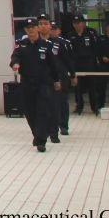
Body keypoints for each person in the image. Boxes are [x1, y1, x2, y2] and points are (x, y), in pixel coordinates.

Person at [10, 20, 64, 152]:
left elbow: (53, 65)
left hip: (43, 84)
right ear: (25, 30)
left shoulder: (46, 45)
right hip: (27, 83)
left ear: (38, 28)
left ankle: (41, 141)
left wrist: (56, 80)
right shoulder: (21, 44)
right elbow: (15, 57)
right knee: (30, 112)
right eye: (28, 28)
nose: (31, 30)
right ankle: (37, 134)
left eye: (33, 27)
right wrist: (15, 64)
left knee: (42, 111)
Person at [67, 15, 100, 114]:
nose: (77, 25)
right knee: (78, 87)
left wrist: (95, 61)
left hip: (89, 63)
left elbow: (96, 47)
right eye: (75, 23)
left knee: (92, 86)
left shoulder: (91, 33)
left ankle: (94, 107)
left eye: (79, 23)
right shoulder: (70, 35)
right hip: (76, 64)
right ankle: (79, 106)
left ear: (83, 23)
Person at [48, 21, 73, 138]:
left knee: (62, 101)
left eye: (55, 29)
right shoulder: (44, 42)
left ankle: (64, 125)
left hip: (62, 76)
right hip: (49, 76)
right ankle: (51, 126)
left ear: (59, 31)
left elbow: (69, 60)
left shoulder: (64, 43)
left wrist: (73, 74)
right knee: (50, 102)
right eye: (51, 29)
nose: (53, 31)